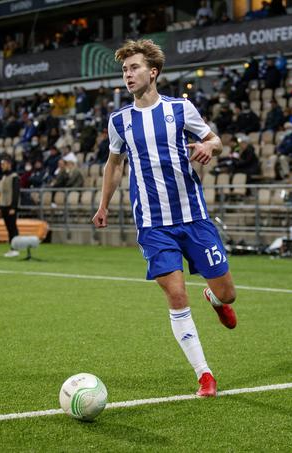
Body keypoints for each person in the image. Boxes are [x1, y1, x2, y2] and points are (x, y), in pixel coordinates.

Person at [93, 39, 237, 398]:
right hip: (153, 225)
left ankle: (215, 299)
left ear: (152, 72)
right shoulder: (119, 121)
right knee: (175, 295)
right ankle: (204, 374)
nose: (128, 74)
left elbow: (215, 140)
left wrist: (207, 147)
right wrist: (104, 205)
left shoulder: (179, 108)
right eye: (124, 69)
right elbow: (114, 165)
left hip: (194, 217)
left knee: (229, 293)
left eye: (134, 67)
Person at [0, 157, 21, 257]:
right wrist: (0, 207)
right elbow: (2, 194)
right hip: (4, 205)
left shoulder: (14, 177)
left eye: (3, 164)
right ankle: (12, 247)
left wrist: (13, 207)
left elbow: (16, 193)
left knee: (12, 227)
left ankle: (15, 248)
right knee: (8, 228)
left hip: (10, 206)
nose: (2, 166)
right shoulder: (3, 177)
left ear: (9, 164)